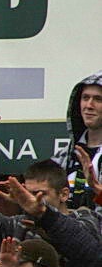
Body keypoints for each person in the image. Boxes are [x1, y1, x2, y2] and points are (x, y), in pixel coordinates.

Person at [52, 69, 102, 208]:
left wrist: (96, 189)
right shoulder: (63, 156)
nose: (89, 105)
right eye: (85, 98)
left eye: (98, 99)